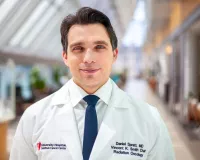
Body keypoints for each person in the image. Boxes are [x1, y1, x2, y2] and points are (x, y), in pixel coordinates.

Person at [10, 7, 175, 160]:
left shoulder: (148, 120)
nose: (88, 59)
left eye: (99, 47)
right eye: (78, 48)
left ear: (114, 54)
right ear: (65, 57)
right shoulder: (34, 118)